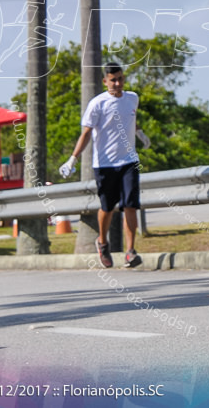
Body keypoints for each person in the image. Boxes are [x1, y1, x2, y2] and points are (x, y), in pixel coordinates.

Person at [60, 63, 150, 268]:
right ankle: (102, 242)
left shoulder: (132, 98)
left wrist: (140, 134)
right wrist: (72, 158)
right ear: (105, 81)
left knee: (130, 205)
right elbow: (86, 133)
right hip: (105, 164)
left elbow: (131, 119)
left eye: (120, 79)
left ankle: (130, 251)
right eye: (113, 80)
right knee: (107, 207)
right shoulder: (97, 104)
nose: (117, 83)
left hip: (129, 160)